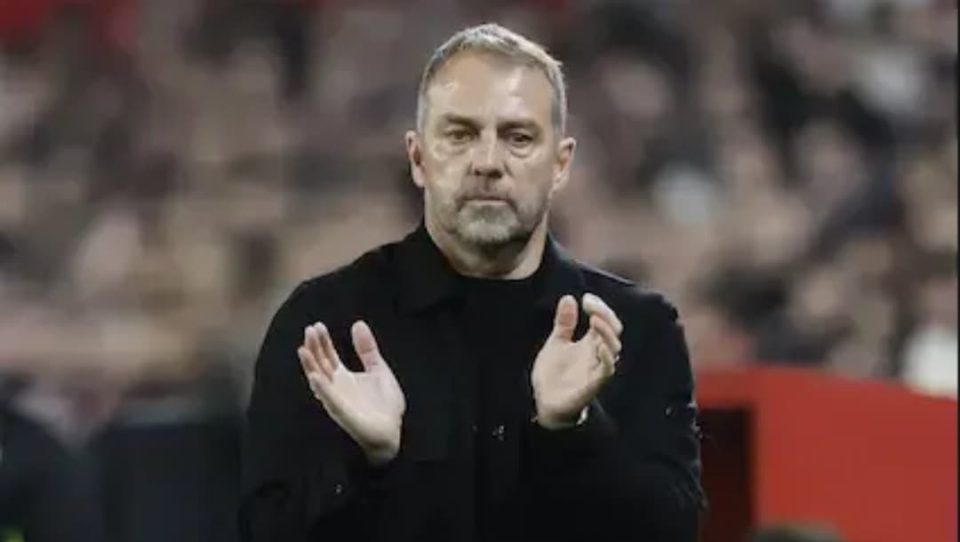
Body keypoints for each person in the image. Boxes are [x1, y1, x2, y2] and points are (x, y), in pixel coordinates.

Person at [240, 23, 704, 542]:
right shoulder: (325, 326)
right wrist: (367, 458)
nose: (487, 163)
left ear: (561, 164)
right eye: (460, 135)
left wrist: (574, 429)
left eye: (518, 138)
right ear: (418, 158)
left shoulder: (635, 329)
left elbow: (672, 531)